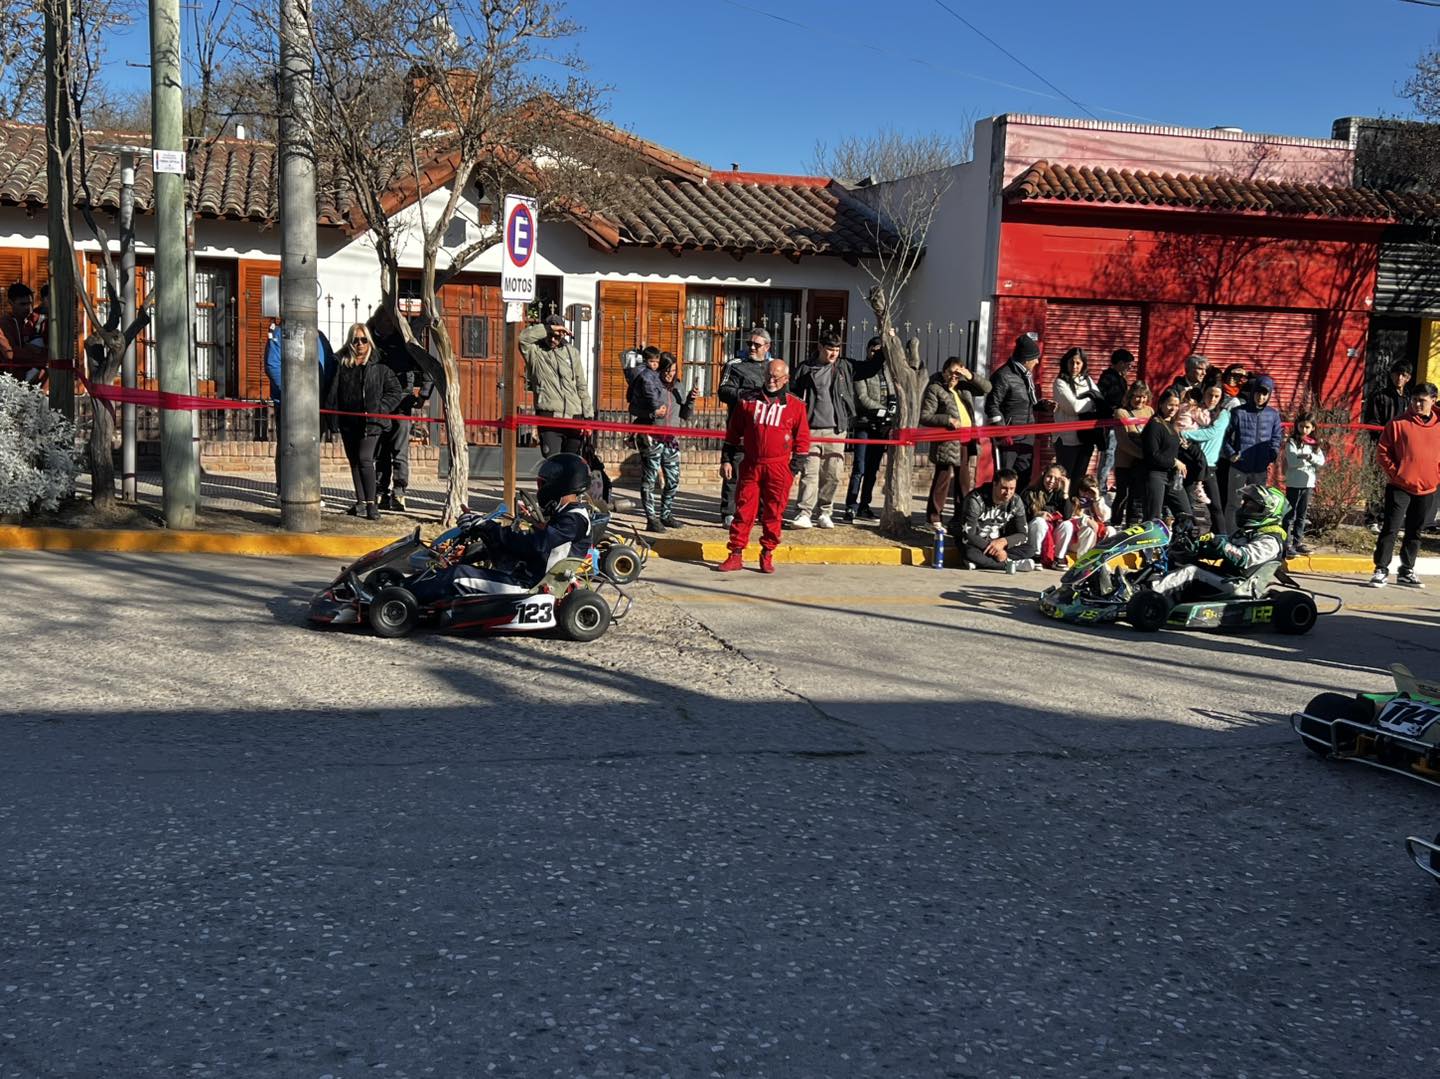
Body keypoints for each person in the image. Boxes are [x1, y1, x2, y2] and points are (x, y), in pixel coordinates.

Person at [409, 454, 593, 604]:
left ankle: (402, 598)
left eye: (543, 483)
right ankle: (399, 587)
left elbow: (536, 544)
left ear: (562, 484)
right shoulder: (566, 514)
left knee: (457, 576)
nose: (541, 488)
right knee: (454, 569)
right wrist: (482, 528)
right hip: (523, 574)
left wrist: (490, 528)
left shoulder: (574, 519)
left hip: (531, 586)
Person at [716, 359, 810, 574]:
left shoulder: (796, 406)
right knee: (743, 509)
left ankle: (767, 552)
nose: (771, 380)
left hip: (779, 467)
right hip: (751, 464)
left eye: (777, 377)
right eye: (768, 375)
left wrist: (792, 469)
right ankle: (736, 553)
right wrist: (727, 458)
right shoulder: (747, 402)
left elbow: (803, 440)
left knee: (773, 512)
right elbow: (733, 433)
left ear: (786, 379)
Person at [1151, 485, 1289, 600]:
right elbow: (1222, 549)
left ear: (1269, 512)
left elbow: (1243, 558)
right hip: (1226, 578)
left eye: (1251, 506)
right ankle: (1143, 584)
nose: (1245, 508)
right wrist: (1198, 545)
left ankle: (1151, 596)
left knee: (1190, 571)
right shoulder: (1249, 532)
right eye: (1246, 504)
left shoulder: (1271, 540)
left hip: (1239, 586)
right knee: (1182, 560)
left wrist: (1216, 541)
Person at [324, 322, 403, 520]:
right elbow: (333, 392)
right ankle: (360, 503)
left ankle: (371, 504)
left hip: (372, 423)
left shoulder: (380, 366)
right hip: (348, 422)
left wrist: (379, 409)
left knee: (365, 459)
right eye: (355, 340)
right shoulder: (342, 364)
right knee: (354, 461)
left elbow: (395, 391)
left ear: (369, 342)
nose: (359, 344)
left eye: (363, 340)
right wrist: (332, 418)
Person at [1370, 381, 1440, 589]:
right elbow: (1383, 451)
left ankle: (1406, 570)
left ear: (1433, 400)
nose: (1417, 404)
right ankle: (1381, 569)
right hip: (1400, 486)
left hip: (1427, 487)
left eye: (1422, 401)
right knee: (1390, 528)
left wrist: (1436, 476)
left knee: (1415, 531)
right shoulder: (1398, 423)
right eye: (1415, 400)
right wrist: (1396, 473)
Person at [366, 306, 436, 512]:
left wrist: (423, 394)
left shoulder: (405, 340)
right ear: (378, 322)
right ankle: (380, 491)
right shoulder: (368, 339)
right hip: (377, 403)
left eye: (392, 321)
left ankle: (399, 492)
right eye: (386, 321)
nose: (390, 325)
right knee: (380, 449)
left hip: (401, 402)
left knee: (399, 450)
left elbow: (427, 367)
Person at [790, 331, 858, 529]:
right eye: (830, 349)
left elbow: (869, 368)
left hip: (836, 430)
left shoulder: (843, 367)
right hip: (810, 430)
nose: (834, 353)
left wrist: (883, 347)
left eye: (837, 349)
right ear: (820, 347)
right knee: (809, 472)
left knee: (833, 473)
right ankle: (804, 512)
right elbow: (791, 393)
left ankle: (825, 512)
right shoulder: (805, 368)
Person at [264, 321, 336, 501]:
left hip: (315, 403)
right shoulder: (279, 335)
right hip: (289, 404)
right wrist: (293, 395)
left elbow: (330, 365)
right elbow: (273, 365)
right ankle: (285, 490)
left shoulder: (319, 336)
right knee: (288, 448)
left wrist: (324, 394)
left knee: (311, 448)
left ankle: (310, 488)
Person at [920, 356, 991, 533]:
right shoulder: (935, 389)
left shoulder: (964, 388)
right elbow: (925, 416)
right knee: (943, 479)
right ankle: (933, 518)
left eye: (957, 373)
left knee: (963, 482)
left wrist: (969, 375)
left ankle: (960, 519)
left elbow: (987, 388)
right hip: (947, 441)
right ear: (944, 372)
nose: (954, 377)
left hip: (966, 440)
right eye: (951, 373)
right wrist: (947, 419)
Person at [636, 353, 697, 532]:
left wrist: (691, 400)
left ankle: (666, 514)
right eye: (667, 370)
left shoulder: (678, 386)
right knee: (649, 479)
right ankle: (651, 518)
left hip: (671, 440)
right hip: (652, 437)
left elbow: (685, 415)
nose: (670, 374)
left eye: (673, 370)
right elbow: (635, 408)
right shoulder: (651, 386)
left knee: (673, 480)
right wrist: (653, 414)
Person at [715, 327, 770, 526]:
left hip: (765, 430)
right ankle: (729, 512)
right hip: (740, 428)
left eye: (757, 344)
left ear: (767, 347)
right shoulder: (735, 365)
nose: (752, 348)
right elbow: (723, 391)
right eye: (750, 344)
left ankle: (763, 513)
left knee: (763, 472)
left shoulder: (774, 367)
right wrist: (747, 394)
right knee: (733, 470)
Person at [520, 312, 593, 459]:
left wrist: (588, 418)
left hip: (574, 418)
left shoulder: (572, 353)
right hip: (549, 419)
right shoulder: (535, 353)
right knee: (553, 464)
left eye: (557, 336)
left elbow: (581, 386)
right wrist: (549, 328)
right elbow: (523, 338)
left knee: (571, 467)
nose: (553, 340)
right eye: (550, 335)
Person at [843, 336, 896, 522]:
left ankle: (865, 505)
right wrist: (883, 411)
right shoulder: (862, 370)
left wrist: (892, 408)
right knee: (860, 467)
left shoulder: (887, 372)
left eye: (879, 351)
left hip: (881, 428)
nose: (875, 354)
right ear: (868, 351)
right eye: (873, 350)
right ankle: (851, 506)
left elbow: (893, 393)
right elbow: (863, 398)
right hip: (864, 424)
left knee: (873, 469)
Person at [1221, 375, 1283, 532]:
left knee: (1258, 503)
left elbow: (1276, 437)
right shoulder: (1238, 412)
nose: (1260, 397)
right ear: (1252, 392)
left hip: (1260, 467)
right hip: (1239, 466)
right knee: (1234, 503)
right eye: (1258, 393)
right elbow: (1224, 436)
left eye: (1265, 394)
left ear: (1269, 395)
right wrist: (1231, 453)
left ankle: (1251, 534)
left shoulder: (1273, 414)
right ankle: (1231, 534)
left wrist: (1272, 453)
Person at [986, 331, 1046, 488]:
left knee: (1023, 478)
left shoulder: (1026, 376)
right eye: (1035, 359)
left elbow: (1027, 403)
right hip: (1009, 439)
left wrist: (1042, 405)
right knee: (1004, 480)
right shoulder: (1003, 376)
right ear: (1026, 360)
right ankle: (1000, 510)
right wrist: (1002, 432)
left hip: (1027, 437)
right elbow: (992, 405)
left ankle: (1017, 510)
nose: (1037, 362)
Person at [1363, 361, 1414, 529]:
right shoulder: (1379, 396)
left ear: (1408, 378)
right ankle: (1372, 518)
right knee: (1377, 481)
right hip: (1382, 446)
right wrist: (1386, 438)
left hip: (1402, 449)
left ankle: (1388, 518)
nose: (1399, 378)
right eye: (1396, 374)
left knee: (1395, 482)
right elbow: (1372, 422)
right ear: (1391, 375)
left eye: (1403, 375)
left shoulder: (1409, 399)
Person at [960, 468, 1035, 571]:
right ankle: (1011, 565)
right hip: (977, 543)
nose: (1008, 493)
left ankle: (983, 563)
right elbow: (969, 535)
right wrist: (997, 551)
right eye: (1004, 488)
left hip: (998, 542)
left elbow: (1022, 534)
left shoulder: (1016, 501)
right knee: (970, 553)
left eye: (1012, 488)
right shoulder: (975, 500)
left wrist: (1003, 541)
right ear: (994, 484)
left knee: (1030, 549)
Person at [1180, 384, 1232, 532]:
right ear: (1204, 394)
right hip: (1189, 462)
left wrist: (1184, 434)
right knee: (1188, 506)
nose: (1213, 399)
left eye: (1217, 396)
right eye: (1210, 395)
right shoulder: (1195, 410)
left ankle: (1221, 537)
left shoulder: (1223, 414)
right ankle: (1188, 538)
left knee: (1215, 506)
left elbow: (1211, 433)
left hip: (1208, 464)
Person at [1140, 389, 1193, 526]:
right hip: (1155, 475)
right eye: (1170, 404)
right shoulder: (1155, 425)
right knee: (1153, 518)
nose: (1173, 409)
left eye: (1176, 405)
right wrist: (1175, 462)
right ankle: (1149, 547)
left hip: (1172, 477)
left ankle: (1179, 544)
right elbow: (1153, 455)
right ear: (1161, 404)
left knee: (1185, 514)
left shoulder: (1170, 425)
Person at [1051, 346, 1101, 483]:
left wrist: (1090, 401)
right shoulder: (1060, 383)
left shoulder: (1088, 381)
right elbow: (1074, 407)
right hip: (1067, 439)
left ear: (1083, 364)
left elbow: (1100, 400)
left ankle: (1074, 504)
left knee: (1079, 480)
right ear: (1066, 363)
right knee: (1064, 479)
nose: (1074, 366)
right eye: (1071, 362)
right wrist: (1091, 401)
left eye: (1078, 363)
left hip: (1086, 437)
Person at [1282, 411, 1325, 558]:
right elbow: (1292, 461)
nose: (1304, 430)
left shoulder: (1314, 444)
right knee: (1289, 514)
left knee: (1302, 514)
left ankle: (1298, 542)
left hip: (1308, 483)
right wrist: (1305, 459)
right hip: (1294, 482)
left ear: (1313, 428)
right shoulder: (1292, 442)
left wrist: (1309, 456)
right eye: (1301, 426)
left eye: (1307, 427)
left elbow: (1321, 461)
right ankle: (1286, 543)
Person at [1112, 381, 1154, 527]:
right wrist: (1144, 455)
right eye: (1137, 397)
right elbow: (1124, 442)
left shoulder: (1149, 411)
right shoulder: (1121, 412)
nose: (1140, 400)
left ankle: (1132, 524)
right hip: (1125, 460)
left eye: (1143, 397)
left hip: (1143, 463)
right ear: (1130, 396)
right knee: (1123, 494)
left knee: (1137, 496)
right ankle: (1115, 523)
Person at [1094, 349, 1134, 493]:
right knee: (1109, 453)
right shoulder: (1107, 378)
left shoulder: (1121, 379)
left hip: (1119, 421)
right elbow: (1100, 400)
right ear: (1121, 363)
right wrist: (1111, 411)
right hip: (1109, 422)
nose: (1130, 368)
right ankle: (1101, 485)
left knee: (1117, 453)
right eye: (1129, 365)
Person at [1023, 463, 1076, 569]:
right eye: (1049, 476)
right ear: (1044, 475)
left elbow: (1067, 515)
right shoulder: (1031, 492)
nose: (1051, 481)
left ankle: (1059, 558)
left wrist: (1066, 492)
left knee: (1067, 525)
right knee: (1039, 521)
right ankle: (1035, 556)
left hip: (1052, 531)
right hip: (1033, 531)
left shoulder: (1060, 494)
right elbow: (1021, 515)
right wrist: (1036, 514)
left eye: (1056, 479)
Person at [0, 282, 46, 384]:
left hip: (27, 381)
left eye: (30, 303)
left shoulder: (30, 322)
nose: (28, 308)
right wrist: (41, 356)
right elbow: (10, 353)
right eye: (22, 304)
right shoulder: (3, 324)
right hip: (8, 384)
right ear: (10, 303)